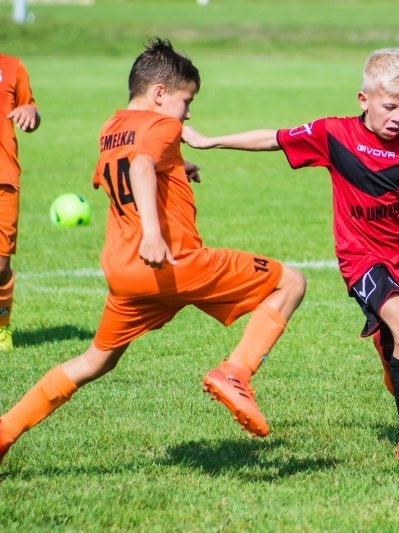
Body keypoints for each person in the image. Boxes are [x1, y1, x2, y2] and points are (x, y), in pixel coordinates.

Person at [182, 46, 399, 464]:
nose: (398, 117)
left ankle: (394, 354)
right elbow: (274, 138)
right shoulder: (334, 135)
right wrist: (210, 141)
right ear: (364, 99)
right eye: (389, 107)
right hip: (361, 259)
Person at [0, 38, 306, 466]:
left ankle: (5, 431)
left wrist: (176, 168)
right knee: (291, 282)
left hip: (124, 272)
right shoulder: (164, 125)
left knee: (94, 361)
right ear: (160, 94)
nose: (188, 114)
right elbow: (142, 166)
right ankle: (235, 372)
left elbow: (119, 173)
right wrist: (152, 232)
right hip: (173, 261)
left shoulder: (111, 127)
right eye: (187, 101)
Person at [0, 53, 41, 351]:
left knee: (0, 265)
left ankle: (2, 327)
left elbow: (31, 109)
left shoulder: (12, 66)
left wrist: (30, 111)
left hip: (3, 177)